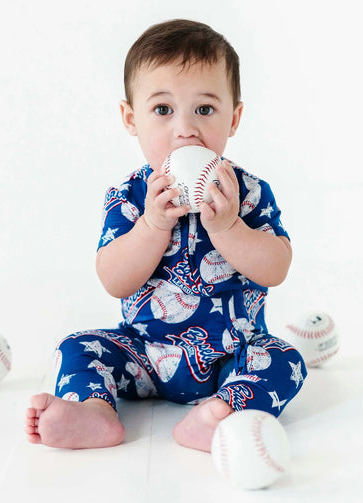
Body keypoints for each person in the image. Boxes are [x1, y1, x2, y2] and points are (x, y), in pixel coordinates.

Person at [25, 19, 307, 451]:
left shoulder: (247, 193)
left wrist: (229, 227)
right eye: (162, 110)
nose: (185, 129)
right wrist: (152, 226)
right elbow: (114, 279)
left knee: (284, 361)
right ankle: (96, 413)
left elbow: (276, 268)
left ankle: (222, 414)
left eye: (205, 110)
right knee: (77, 346)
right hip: (144, 355)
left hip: (232, 355)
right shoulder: (130, 197)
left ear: (234, 118)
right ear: (130, 118)